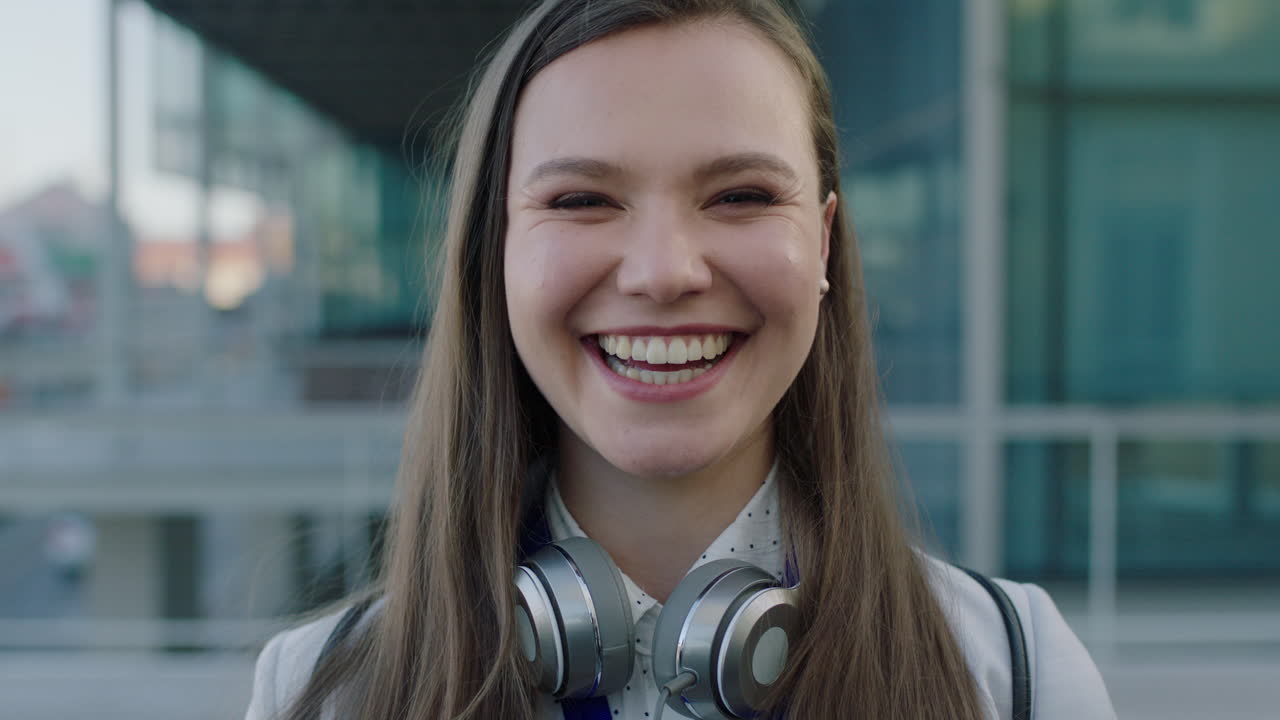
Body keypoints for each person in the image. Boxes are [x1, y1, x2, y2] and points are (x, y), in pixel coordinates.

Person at [243, 1, 1116, 718]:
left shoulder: (1016, 674)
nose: (663, 272)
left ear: (822, 242)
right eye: (581, 200)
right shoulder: (321, 693)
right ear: (494, 251)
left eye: (740, 195)